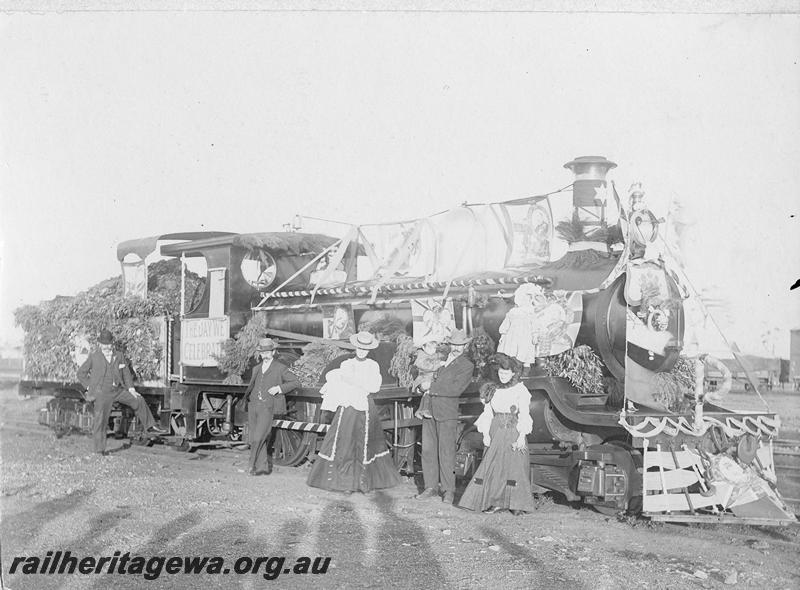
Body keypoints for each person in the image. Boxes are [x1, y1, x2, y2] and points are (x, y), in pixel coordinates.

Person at [307, 331, 401, 494]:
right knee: (345, 443)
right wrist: (359, 383)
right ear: (355, 348)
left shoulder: (373, 366)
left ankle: (363, 482)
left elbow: (374, 387)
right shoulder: (347, 364)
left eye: (365, 349)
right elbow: (345, 382)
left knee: (365, 444)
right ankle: (345, 483)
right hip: (348, 406)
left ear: (369, 350)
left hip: (365, 407)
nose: (362, 351)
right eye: (359, 348)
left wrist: (356, 381)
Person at [458, 353, 536, 515]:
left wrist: (521, 436)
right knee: (494, 465)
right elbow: (487, 413)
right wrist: (486, 434)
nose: (503, 376)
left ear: (513, 373)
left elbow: (524, 414)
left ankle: (516, 503)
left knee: (514, 466)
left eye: (506, 373)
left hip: (513, 429)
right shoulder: (491, 389)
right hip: (496, 429)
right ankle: (494, 502)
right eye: (500, 373)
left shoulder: (520, 390)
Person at [78, 329, 166, 455]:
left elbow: (126, 373)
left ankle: (150, 426)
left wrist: (131, 389)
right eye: (104, 344)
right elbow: (81, 373)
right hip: (102, 393)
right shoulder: (94, 356)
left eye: (108, 344)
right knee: (100, 422)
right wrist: (89, 387)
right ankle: (99, 451)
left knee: (138, 399)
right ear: (100, 344)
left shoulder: (119, 355)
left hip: (118, 390)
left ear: (112, 343)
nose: (106, 347)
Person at [415, 329, 474, 504]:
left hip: (447, 413)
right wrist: (421, 387)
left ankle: (449, 490)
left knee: (447, 452)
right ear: (450, 345)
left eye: (460, 345)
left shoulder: (466, 365)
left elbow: (455, 390)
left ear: (465, 346)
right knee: (428, 451)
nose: (456, 348)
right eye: (454, 344)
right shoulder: (442, 361)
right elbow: (425, 379)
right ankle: (430, 487)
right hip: (429, 411)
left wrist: (430, 388)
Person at [244, 337, 300, 476]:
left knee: (258, 437)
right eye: (263, 352)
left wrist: (279, 388)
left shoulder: (280, 368)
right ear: (260, 353)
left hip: (268, 408)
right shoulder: (256, 368)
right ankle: (263, 467)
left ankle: (251, 465)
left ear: (273, 352)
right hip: (253, 406)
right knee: (255, 437)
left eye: (268, 351)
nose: (265, 354)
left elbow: (295, 382)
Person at [412, 337, 444, 420]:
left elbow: (441, 357)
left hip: (431, 378)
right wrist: (438, 364)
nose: (432, 351)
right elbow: (426, 366)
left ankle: (419, 411)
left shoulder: (434, 354)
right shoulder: (421, 356)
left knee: (429, 392)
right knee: (429, 390)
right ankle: (425, 410)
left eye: (434, 348)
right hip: (423, 378)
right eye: (430, 348)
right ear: (423, 347)